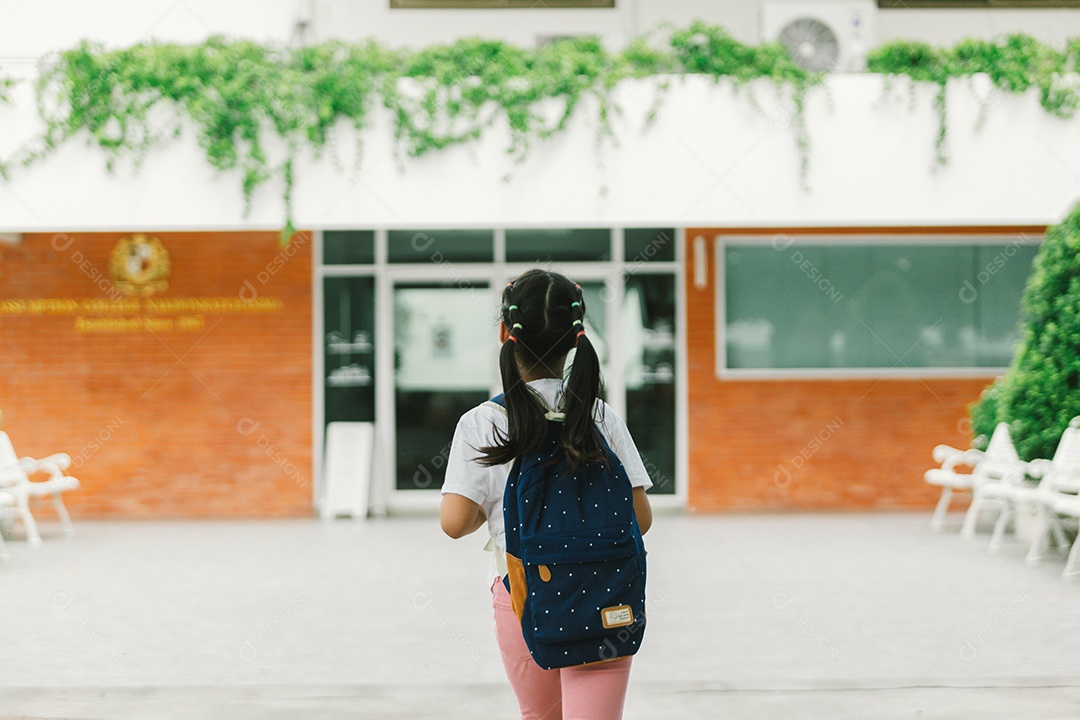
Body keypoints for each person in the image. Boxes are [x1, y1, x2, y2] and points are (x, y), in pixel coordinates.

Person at [440, 269, 653, 720]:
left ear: (505, 333)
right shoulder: (601, 417)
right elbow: (642, 518)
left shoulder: (483, 423)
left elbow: (454, 523)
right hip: (604, 597)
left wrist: (493, 507)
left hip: (523, 597)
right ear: (576, 338)